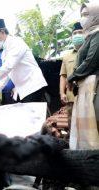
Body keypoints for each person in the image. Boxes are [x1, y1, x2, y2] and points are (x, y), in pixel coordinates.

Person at [0, 19, 47, 103]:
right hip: (23, 89)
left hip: (33, 85)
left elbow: (8, 66)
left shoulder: (16, 43)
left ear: (2, 31)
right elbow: (7, 73)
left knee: (34, 115)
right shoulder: (4, 52)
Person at [68, 2, 99, 150]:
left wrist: (72, 76)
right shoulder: (90, 36)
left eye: (87, 15)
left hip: (95, 87)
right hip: (86, 89)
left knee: (96, 124)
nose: (83, 19)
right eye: (82, 15)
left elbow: (91, 61)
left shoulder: (98, 34)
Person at [59, 22, 84, 121]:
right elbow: (63, 76)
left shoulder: (92, 52)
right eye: (75, 33)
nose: (77, 35)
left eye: (80, 32)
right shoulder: (67, 56)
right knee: (72, 126)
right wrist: (62, 93)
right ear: (71, 37)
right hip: (71, 98)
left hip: (89, 97)